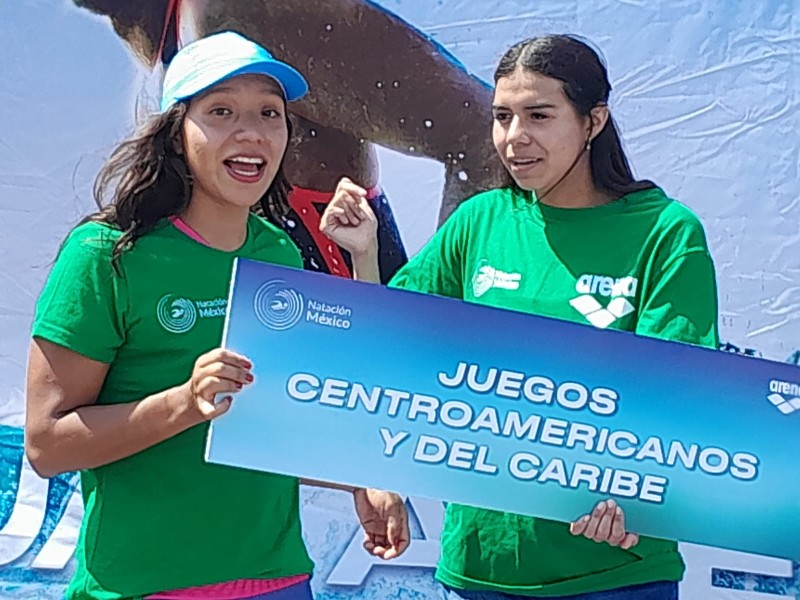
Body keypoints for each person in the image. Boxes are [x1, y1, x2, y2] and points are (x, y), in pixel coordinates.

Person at [320, 34, 719, 600]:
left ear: (593, 121)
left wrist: (635, 494)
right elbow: (392, 346)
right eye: (502, 116)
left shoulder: (666, 232)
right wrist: (364, 252)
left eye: (539, 116)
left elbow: (682, 396)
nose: (514, 137)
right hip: (479, 567)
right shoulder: (479, 219)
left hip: (612, 572)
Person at [24, 31, 408, 600]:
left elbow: (269, 425)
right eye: (222, 111)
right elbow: (47, 445)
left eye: (269, 113)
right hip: (142, 585)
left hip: (279, 579)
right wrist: (183, 402)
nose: (251, 132)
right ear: (177, 133)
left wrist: (359, 480)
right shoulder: (106, 255)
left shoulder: (278, 253)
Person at [73, 0, 509, 283]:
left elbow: (483, 137)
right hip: (258, 306)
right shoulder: (155, 25)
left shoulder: (249, 8)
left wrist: (442, 323)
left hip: (330, 296)